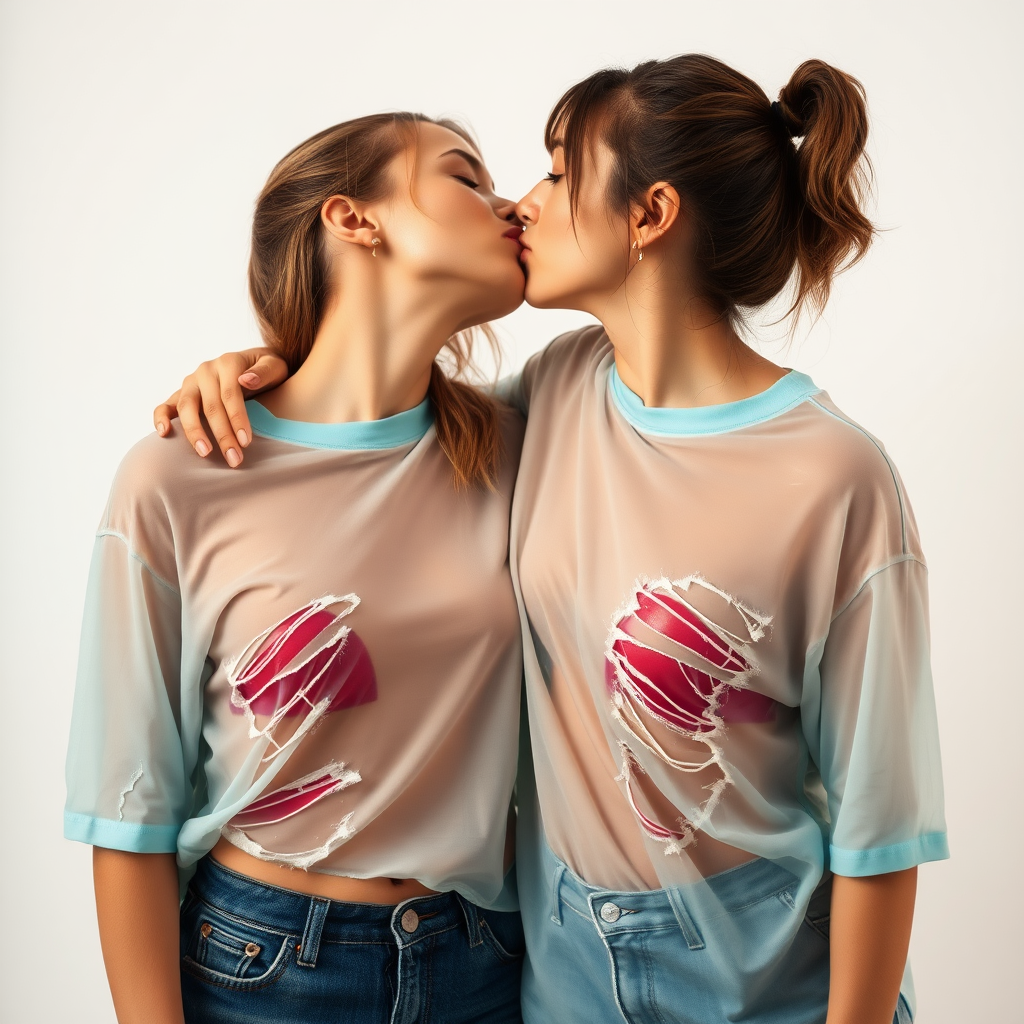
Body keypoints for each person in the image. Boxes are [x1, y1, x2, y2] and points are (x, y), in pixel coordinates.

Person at [155, 56, 948, 1024]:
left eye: (561, 173)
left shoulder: (832, 474)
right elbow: (374, 439)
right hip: (556, 975)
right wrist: (260, 372)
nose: (523, 202)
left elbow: (881, 824)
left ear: (648, 214)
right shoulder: (558, 391)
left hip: (772, 973)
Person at [65, 112, 529, 1024]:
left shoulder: (529, 445)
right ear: (354, 219)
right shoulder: (182, 472)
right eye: (466, 178)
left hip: (486, 959)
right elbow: (128, 809)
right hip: (261, 964)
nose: (510, 204)